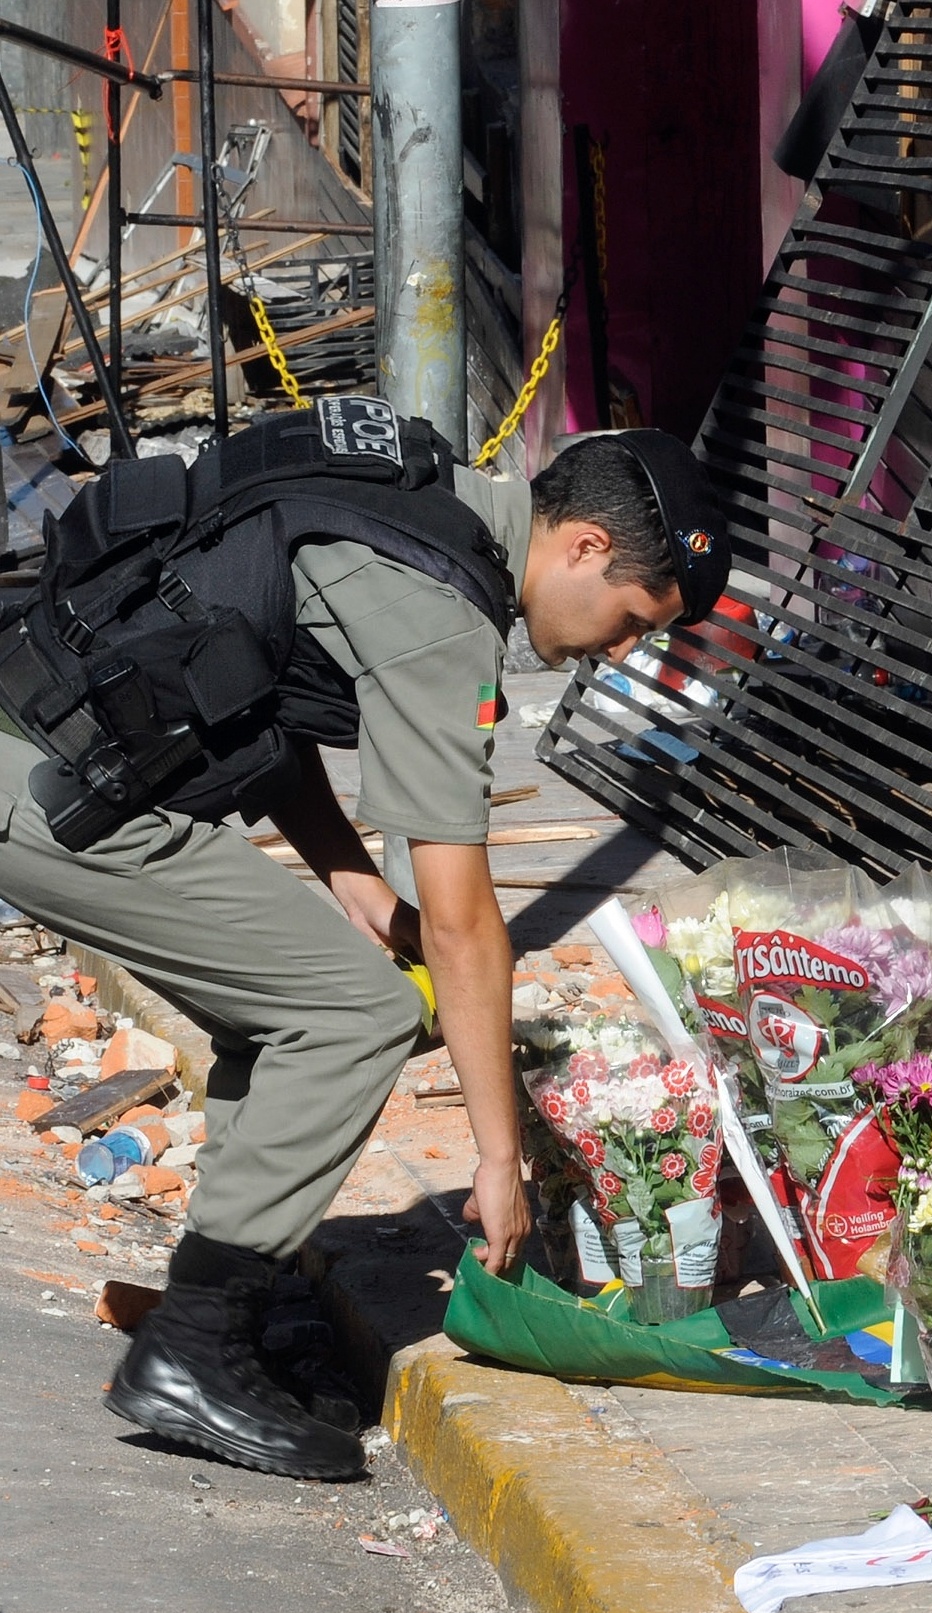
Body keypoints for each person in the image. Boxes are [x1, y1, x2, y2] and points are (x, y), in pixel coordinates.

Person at [0, 420, 730, 1481]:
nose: (620, 652)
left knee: (305, 995)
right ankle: (194, 1346)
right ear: (580, 547)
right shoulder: (443, 618)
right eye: (629, 620)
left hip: (40, 738)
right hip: (61, 799)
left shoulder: (406, 487)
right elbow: (468, 922)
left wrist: (357, 893)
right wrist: (496, 1155)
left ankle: (230, 1315)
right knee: (356, 1011)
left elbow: (254, 687)